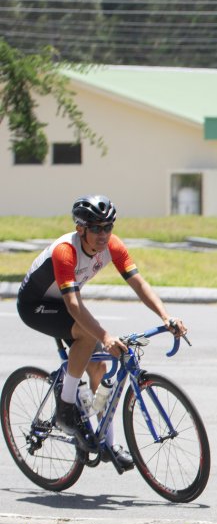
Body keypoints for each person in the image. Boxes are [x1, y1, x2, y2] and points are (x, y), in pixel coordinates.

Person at [16, 194, 188, 471]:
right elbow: (73, 306)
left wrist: (166, 316)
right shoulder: (65, 251)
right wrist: (105, 337)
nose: (103, 234)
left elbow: (139, 284)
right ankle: (65, 406)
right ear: (80, 229)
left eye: (108, 227)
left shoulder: (113, 245)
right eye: (96, 228)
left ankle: (108, 443)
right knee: (89, 336)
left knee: (98, 369)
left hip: (65, 302)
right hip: (36, 305)